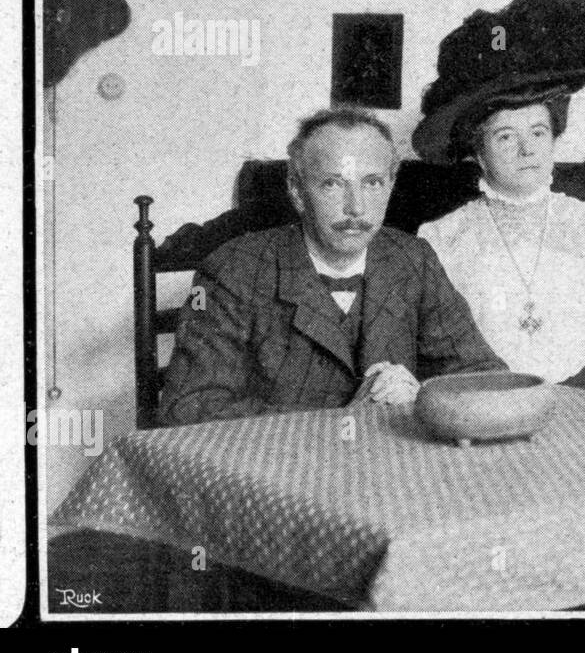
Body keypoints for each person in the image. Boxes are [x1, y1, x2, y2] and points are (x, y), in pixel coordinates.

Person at [159, 106, 506, 426]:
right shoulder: (233, 271)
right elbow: (187, 408)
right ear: (297, 192)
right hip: (278, 476)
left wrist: (421, 397)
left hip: (390, 469)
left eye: (372, 183)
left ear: (390, 186)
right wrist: (343, 417)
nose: (356, 208)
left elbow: (484, 373)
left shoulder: (412, 259)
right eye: (333, 184)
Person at [413, 0, 585, 399]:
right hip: (486, 412)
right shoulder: (440, 237)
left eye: (539, 132)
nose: (527, 150)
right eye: (506, 136)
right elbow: (434, 353)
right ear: (479, 152)